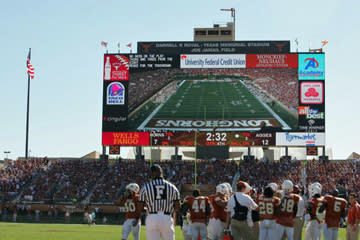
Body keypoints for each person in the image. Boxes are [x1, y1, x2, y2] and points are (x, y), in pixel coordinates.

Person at [135, 164, 180, 240]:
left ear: (151, 174)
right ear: (161, 172)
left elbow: (140, 208)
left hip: (152, 217)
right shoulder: (172, 187)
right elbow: (177, 207)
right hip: (167, 217)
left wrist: (146, 211)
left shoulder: (146, 187)